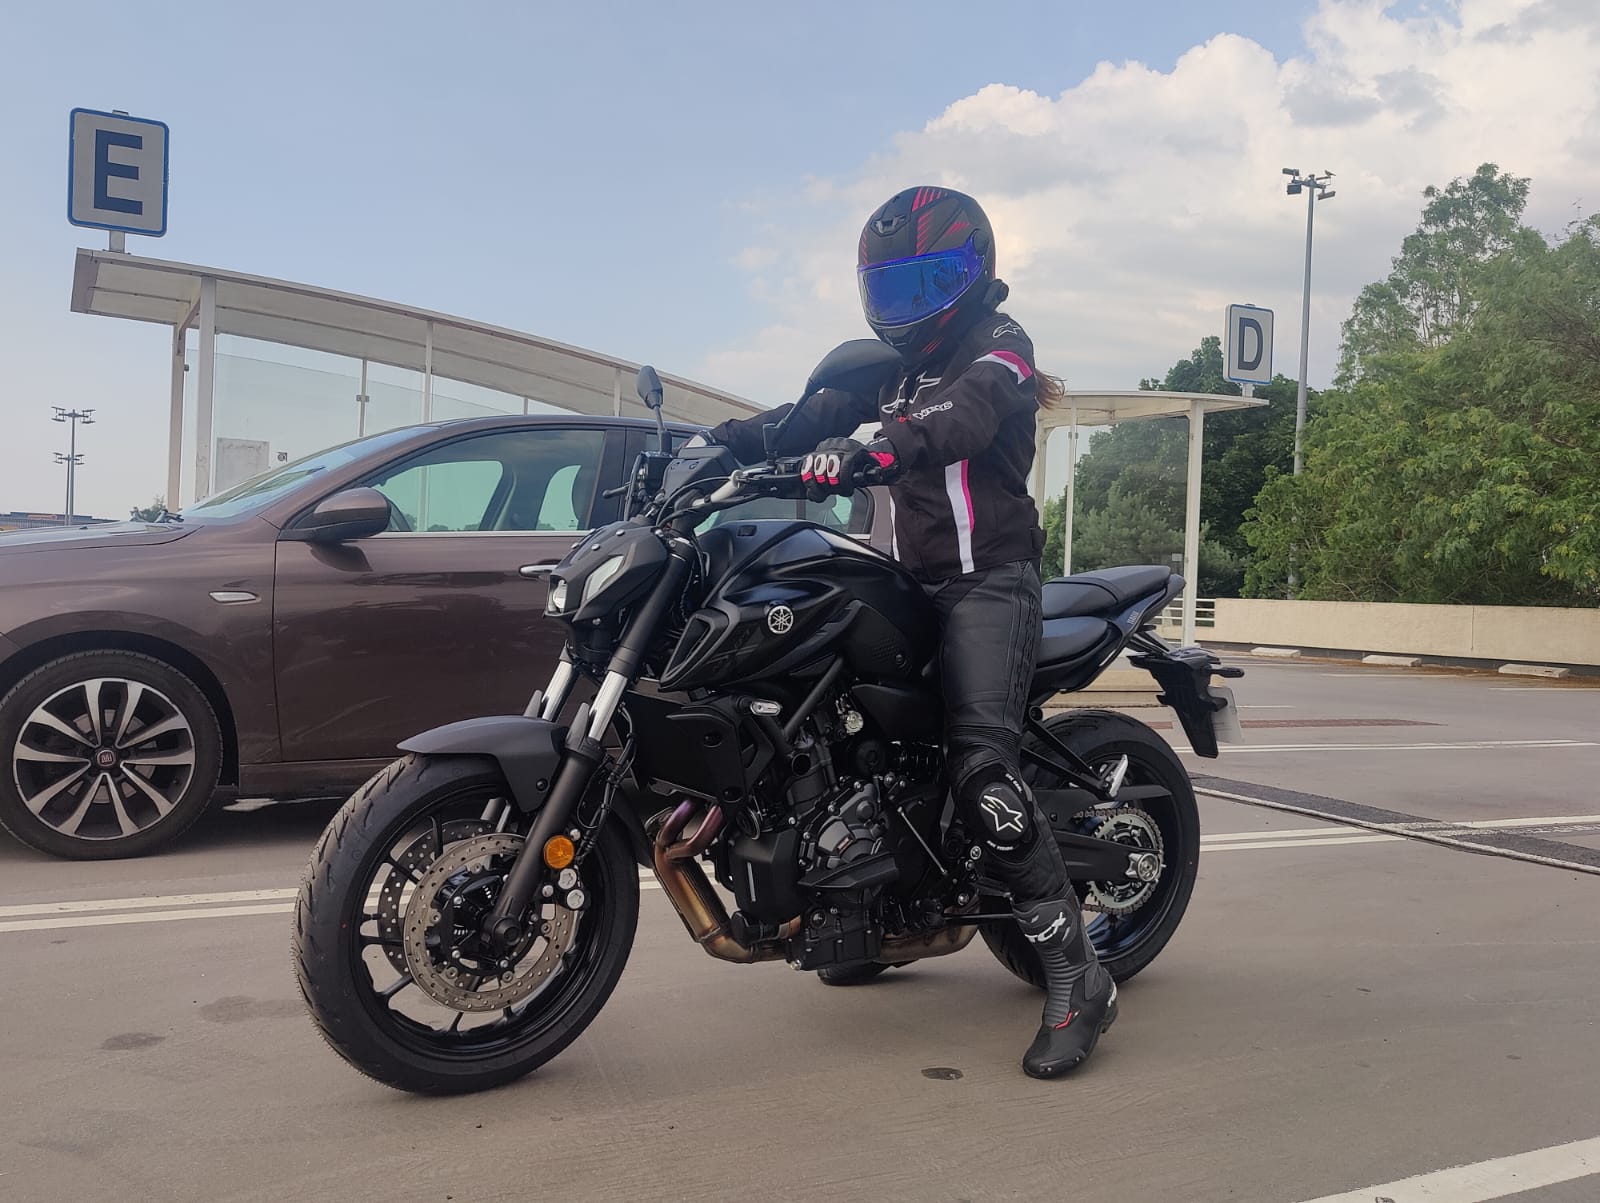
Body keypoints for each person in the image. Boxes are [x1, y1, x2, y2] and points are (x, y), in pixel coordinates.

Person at [701, 186, 1116, 1079]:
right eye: (890, 287)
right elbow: (803, 417)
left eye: (926, 282)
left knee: (982, 771)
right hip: (904, 578)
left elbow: (958, 416)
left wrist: (872, 450)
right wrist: (713, 445)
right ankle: (863, 909)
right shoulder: (882, 369)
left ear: (974, 271)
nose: (906, 305)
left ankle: (1079, 976)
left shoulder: (1001, 348)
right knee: (835, 731)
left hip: (986, 582)